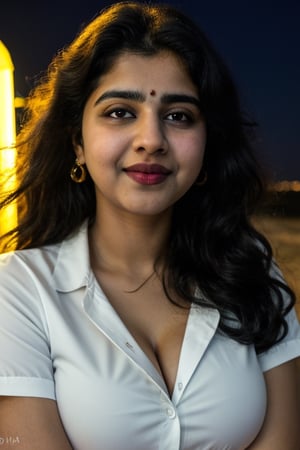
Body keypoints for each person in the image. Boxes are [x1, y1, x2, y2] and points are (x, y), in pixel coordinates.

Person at [0, 1, 299, 449]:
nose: (152, 140)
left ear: (207, 147)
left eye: (179, 116)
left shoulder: (252, 272)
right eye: (120, 111)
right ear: (77, 143)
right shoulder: (19, 292)